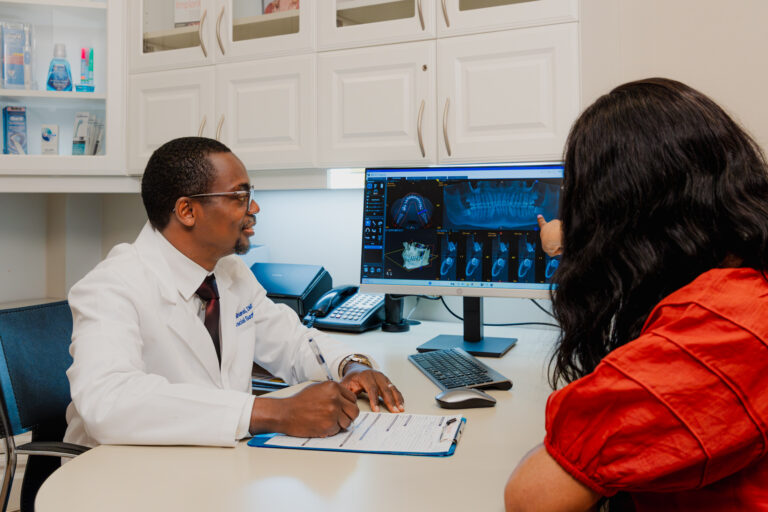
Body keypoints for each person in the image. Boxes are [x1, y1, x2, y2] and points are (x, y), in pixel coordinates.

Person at [505, 78, 768, 511]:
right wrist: (567, 240)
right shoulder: (745, 279)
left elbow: (531, 500)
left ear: (621, 214)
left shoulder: (720, 331)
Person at [64, 137, 404, 448]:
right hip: (121, 479)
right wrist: (270, 412)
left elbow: (292, 343)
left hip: (208, 466)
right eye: (240, 197)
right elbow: (109, 402)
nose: (254, 209)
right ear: (187, 211)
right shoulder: (111, 287)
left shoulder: (228, 273)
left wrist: (351, 367)